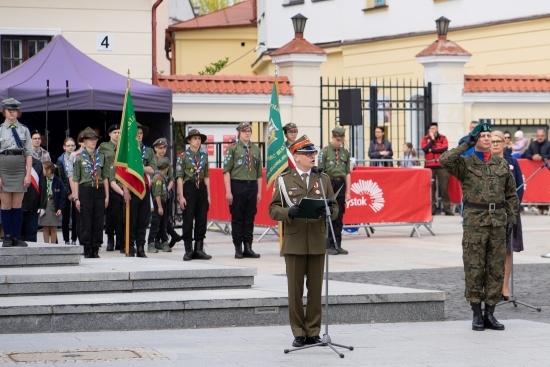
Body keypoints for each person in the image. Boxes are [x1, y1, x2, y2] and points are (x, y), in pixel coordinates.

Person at [440, 122, 518, 331]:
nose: (486, 139)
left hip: (497, 222)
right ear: (476, 139)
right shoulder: (465, 164)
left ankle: (490, 313)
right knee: (474, 267)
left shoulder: (501, 164)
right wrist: (466, 144)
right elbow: (444, 160)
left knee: (495, 267)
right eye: (482, 136)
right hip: (475, 221)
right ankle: (476, 313)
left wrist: (511, 219)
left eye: (488, 135)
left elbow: (511, 194)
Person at [268, 135, 339, 348]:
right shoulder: (284, 180)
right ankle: (299, 332)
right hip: (295, 241)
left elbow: (335, 208)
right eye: (308, 153)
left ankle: (313, 332)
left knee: (316, 290)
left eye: (313, 153)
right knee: (295, 291)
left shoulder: (322, 179)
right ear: (296, 157)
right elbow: (272, 209)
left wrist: (327, 212)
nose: (312, 156)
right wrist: (290, 211)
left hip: (317, 240)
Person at [490, 130, 524, 301]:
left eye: (498, 141)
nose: (495, 144)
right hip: (490, 212)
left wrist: (513, 208)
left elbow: (520, 186)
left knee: (507, 251)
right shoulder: (482, 162)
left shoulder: (512, 162)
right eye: (492, 141)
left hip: (509, 212)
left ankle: (504, 287)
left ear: (504, 143)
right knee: (489, 250)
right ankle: (490, 287)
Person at [223, 121, 262, 259]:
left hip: (251, 185)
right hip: (237, 185)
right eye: (244, 130)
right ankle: (238, 248)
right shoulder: (233, 149)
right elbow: (226, 171)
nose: (247, 133)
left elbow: (259, 173)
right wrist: (228, 191)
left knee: (249, 217)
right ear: (239, 132)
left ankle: (248, 247)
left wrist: (259, 191)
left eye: (249, 130)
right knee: (238, 217)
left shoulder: (256, 149)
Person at [72, 127, 110, 258]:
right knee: (86, 220)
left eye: (95, 139)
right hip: (85, 190)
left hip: (98, 190)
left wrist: (107, 196)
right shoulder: (78, 158)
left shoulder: (102, 157)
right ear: (84, 141)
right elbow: (76, 179)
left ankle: (96, 247)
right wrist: (76, 197)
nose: (93, 142)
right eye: (90, 139)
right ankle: (87, 248)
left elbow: (105, 177)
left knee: (98, 219)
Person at [0, 98, 33, 248]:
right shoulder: (0, 129)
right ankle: (7, 236)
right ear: (4, 111)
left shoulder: (24, 129)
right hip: (4, 168)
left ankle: (16, 236)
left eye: (14, 110)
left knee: (17, 203)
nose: (12, 112)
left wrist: (28, 174)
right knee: (6, 204)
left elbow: (29, 154)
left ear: (18, 112)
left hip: (20, 168)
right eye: (9, 110)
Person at [176, 129, 212, 261]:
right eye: (195, 138)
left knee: (202, 219)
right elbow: (179, 177)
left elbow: (207, 176)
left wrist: (209, 195)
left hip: (201, 187)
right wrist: (181, 196)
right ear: (189, 141)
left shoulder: (204, 156)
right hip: (189, 187)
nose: (198, 141)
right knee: (188, 219)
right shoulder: (183, 156)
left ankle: (199, 248)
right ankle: (188, 249)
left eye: (199, 138)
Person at [122, 122, 154, 258]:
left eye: (141, 133)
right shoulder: (128, 151)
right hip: (131, 188)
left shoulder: (148, 151)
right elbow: (123, 171)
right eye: (137, 133)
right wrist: (125, 190)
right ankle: (130, 246)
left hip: (144, 187)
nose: (139, 136)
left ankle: (141, 247)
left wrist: (136, 166)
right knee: (131, 219)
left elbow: (152, 169)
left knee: (143, 219)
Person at [318, 126, 350, 255]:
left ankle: (338, 244)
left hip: (340, 183)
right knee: (329, 214)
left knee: (339, 214)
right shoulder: (324, 152)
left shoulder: (345, 152)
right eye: (337, 139)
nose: (339, 142)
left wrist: (348, 191)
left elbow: (347, 173)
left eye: (341, 139)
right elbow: (320, 172)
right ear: (332, 137)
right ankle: (329, 244)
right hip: (329, 183)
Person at [150, 137, 182, 249]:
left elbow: (172, 178)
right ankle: (161, 239)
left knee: (166, 217)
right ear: (155, 148)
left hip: (166, 191)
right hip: (156, 190)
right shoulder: (152, 161)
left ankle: (163, 239)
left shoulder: (167, 161)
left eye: (164, 148)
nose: (162, 150)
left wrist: (168, 189)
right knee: (157, 217)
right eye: (160, 148)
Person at [99, 124, 124, 252]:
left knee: (120, 214)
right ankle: (110, 240)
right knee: (109, 214)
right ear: (109, 134)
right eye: (114, 132)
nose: (117, 134)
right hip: (108, 182)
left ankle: (120, 240)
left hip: (120, 183)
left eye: (119, 132)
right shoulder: (104, 147)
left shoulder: (124, 146)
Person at [421, 122, 452, 216]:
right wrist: (431, 140)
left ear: (437, 128)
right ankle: (432, 209)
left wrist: (432, 149)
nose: (432, 130)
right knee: (431, 188)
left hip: (441, 165)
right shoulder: (425, 139)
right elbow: (424, 149)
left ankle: (447, 209)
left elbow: (444, 148)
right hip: (429, 166)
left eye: (434, 128)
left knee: (444, 187)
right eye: (430, 129)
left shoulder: (443, 138)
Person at [522, 129, 550, 215]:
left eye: (542, 136)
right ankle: (538, 207)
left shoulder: (548, 144)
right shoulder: (532, 144)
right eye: (538, 136)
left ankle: (545, 207)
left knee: (545, 188)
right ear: (536, 136)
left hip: (546, 172)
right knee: (536, 188)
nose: (540, 138)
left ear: (544, 136)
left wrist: (541, 157)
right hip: (535, 172)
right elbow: (525, 154)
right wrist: (532, 157)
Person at [147, 157, 171, 253]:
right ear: (166, 168)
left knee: (163, 224)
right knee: (155, 224)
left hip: (164, 202)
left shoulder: (162, 177)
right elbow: (157, 194)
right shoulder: (158, 178)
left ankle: (164, 242)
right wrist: (160, 207)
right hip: (158, 204)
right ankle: (151, 243)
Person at [21, 156, 47, 242]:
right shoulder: (17, 162)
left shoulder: (37, 163)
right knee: (17, 233)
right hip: (17, 204)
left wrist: (42, 205)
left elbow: (43, 185)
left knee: (31, 233)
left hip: (33, 204)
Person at [57, 137, 78, 245]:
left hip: (77, 189)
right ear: (64, 147)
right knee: (65, 216)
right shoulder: (61, 159)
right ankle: (66, 239)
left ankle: (74, 238)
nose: (70, 147)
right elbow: (61, 178)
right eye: (68, 145)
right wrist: (68, 193)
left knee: (76, 215)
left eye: (72, 145)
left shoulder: (78, 157)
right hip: (66, 191)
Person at [40, 162, 65, 244]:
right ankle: (46, 246)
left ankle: (54, 245)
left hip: (54, 204)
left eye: (43, 169)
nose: (42, 171)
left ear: (49, 170)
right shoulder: (42, 179)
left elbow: (62, 196)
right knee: (45, 227)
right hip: (45, 204)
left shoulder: (58, 180)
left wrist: (60, 208)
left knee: (53, 227)